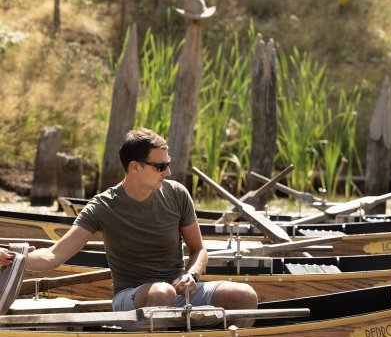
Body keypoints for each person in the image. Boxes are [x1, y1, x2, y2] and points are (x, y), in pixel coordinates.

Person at [24, 128, 258, 325]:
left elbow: (199, 249)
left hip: (181, 293)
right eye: (160, 166)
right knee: (161, 292)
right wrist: (16, 258)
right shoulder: (103, 206)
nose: (168, 172)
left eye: (168, 164)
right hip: (132, 298)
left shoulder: (177, 194)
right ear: (135, 167)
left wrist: (192, 275)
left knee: (245, 296)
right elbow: (53, 256)